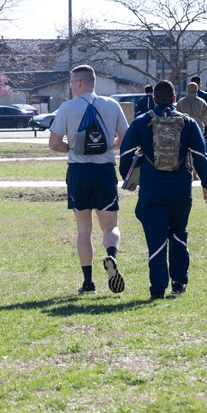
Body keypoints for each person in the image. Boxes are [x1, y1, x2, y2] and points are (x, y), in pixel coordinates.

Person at [119, 80, 207, 300]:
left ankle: (157, 288)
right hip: (181, 190)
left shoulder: (142, 122)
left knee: (156, 238)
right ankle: (179, 283)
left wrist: (128, 178)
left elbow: (125, 154)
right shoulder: (187, 123)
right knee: (178, 233)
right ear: (174, 99)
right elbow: (201, 156)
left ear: (153, 100)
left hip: (152, 190)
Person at [49, 65, 129, 295]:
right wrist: (108, 147)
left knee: (84, 229)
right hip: (104, 171)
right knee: (110, 226)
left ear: (80, 83)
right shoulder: (112, 105)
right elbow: (123, 137)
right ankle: (111, 256)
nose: (71, 85)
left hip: (78, 172)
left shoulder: (67, 107)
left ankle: (88, 283)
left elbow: (54, 144)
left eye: (72, 82)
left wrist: (73, 149)